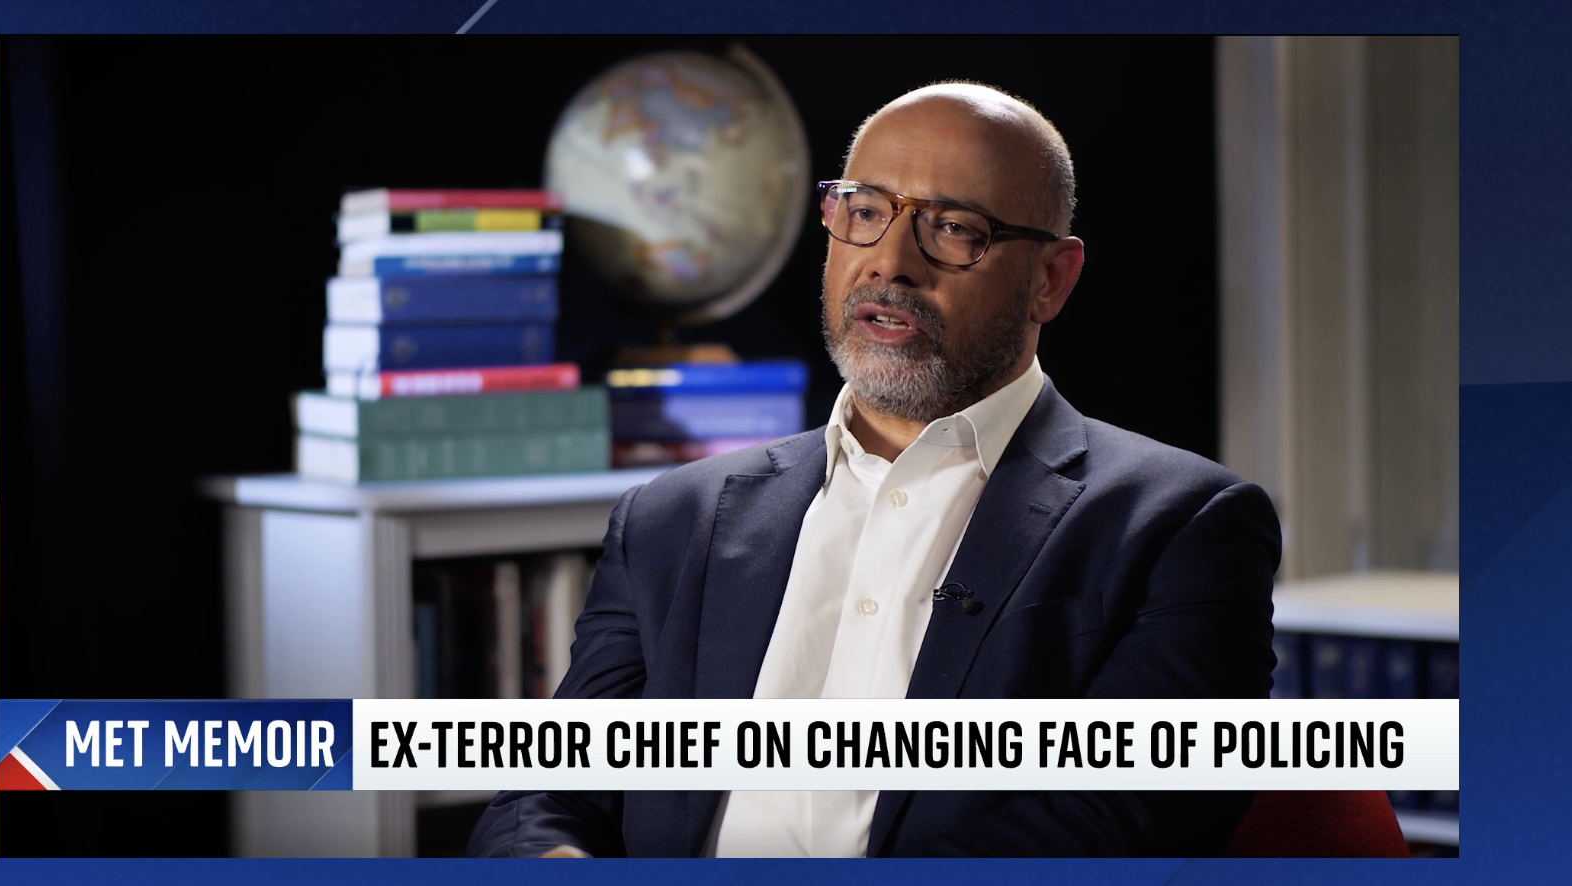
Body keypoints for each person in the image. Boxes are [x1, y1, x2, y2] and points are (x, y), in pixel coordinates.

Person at [470, 82, 1281, 858]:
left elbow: (1122, 823)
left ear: (1050, 279)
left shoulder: (1183, 527)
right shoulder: (670, 519)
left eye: (954, 228)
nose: (890, 262)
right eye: (863, 212)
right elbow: (547, 792)